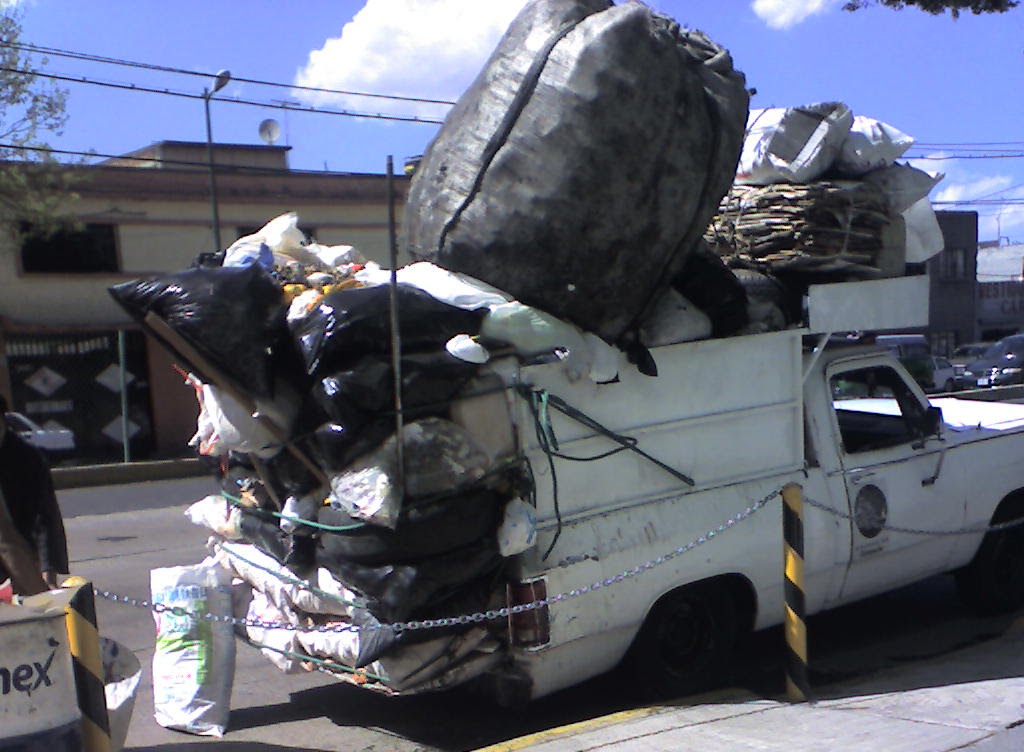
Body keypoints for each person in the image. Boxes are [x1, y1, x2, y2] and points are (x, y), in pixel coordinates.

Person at [0, 395, 68, 595]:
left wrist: (49, 570)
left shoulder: (26, 458)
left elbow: (46, 516)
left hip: (21, 555)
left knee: (35, 610)